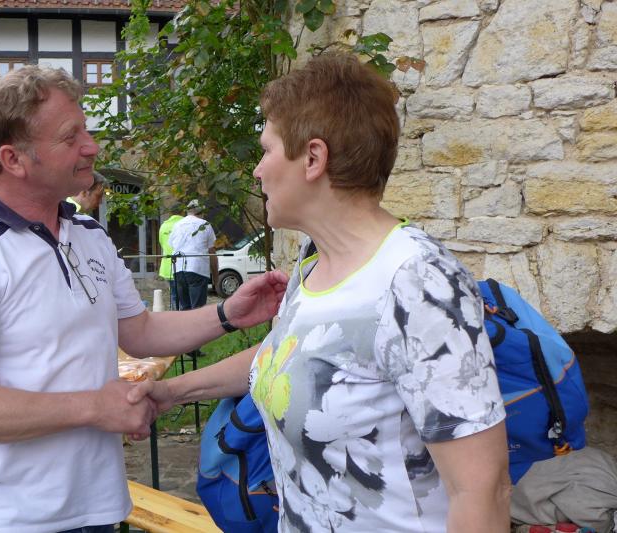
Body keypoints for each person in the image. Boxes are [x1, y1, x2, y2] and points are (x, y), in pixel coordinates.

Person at [132, 51, 511, 532]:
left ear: (313, 158)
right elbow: (288, 356)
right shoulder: (315, 264)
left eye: (267, 151)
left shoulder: (417, 281)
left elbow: (482, 491)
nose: (257, 171)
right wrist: (170, 392)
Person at [0, 65, 288, 533]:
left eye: (85, 130)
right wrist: (93, 406)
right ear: (13, 159)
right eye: (71, 137)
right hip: (8, 518)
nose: (92, 146)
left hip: (98, 505)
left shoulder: (86, 232)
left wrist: (229, 313)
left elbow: (140, 331)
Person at [168, 199, 217, 310]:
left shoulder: (177, 225)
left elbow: (171, 245)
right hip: (197, 269)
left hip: (178, 269)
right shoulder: (205, 224)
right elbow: (212, 253)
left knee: (185, 309)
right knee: (197, 310)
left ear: (188, 212)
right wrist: (216, 277)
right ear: (201, 212)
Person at [157, 210, 183, 309]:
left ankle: (174, 314)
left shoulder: (164, 226)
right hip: (182, 266)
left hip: (167, 266)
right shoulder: (184, 224)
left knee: (174, 294)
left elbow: (162, 243)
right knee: (184, 296)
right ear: (183, 212)